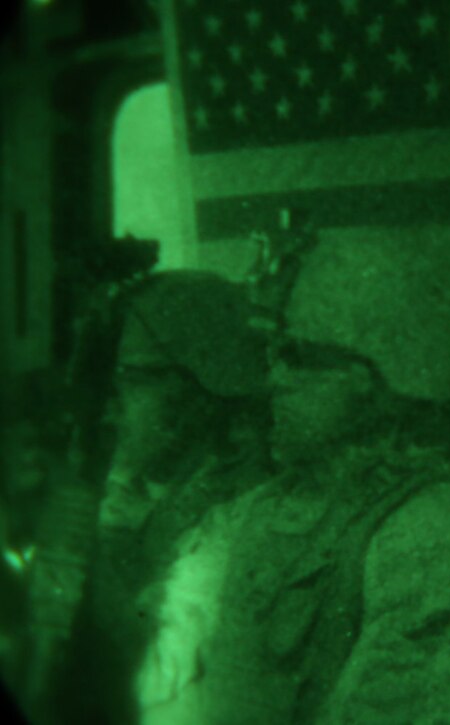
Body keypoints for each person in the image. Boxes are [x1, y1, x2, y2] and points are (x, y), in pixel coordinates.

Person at [135, 241, 450, 725]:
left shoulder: (426, 529)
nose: (276, 379)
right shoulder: (260, 509)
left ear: (373, 381)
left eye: (300, 357)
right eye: (276, 355)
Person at [63, 270, 270, 725]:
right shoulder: (129, 483)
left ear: (202, 390)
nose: (110, 408)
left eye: (132, 379)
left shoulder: (248, 512)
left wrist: (75, 546)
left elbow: (154, 671)